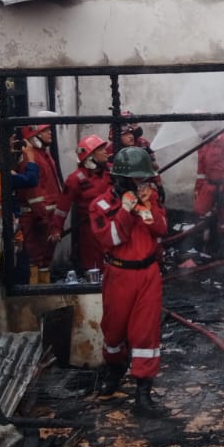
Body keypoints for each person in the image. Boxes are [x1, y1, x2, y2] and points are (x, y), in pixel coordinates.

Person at [88, 145, 170, 416]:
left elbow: (161, 229)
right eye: (136, 179)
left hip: (147, 274)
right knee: (114, 331)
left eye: (143, 178)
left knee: (146, 333)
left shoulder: (150, 198)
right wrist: (125, 210)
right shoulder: (99, 205)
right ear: (121, 178)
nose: (141, 184)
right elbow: (111, 239)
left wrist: (145, 208)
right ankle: (114, 368)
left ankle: (143, 393)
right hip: (119, 274)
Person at [17, 119, 65, 284]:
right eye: (45, 131)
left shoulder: (44, 155)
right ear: (34, 135)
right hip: (35, 218)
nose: (50, 133)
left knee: (45, 259)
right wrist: (43, 216)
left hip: (45, 217)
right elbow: (33, 192)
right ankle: (35, 296)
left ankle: (44, 292)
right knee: (34, 258)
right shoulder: (29, 158)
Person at [62, 135, 113, 275]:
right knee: (93, 265)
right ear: (89, 155)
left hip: (114, 224)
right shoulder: (75, 179)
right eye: (100, 149)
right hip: (90, 229)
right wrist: (55, 228)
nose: (105, 151)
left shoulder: (112, 172)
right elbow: (62, 206)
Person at [193, 122, 224, 255]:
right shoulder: (202, 144)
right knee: (201, 210)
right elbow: (201, 171)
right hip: (209, 184)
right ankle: (206, 243)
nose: (197, 130)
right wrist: (198, 189)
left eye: (199, 126)